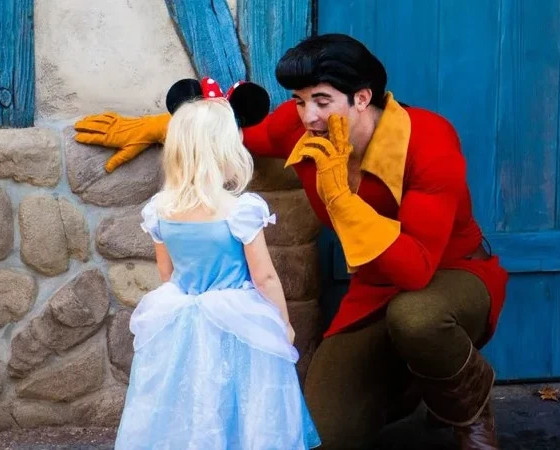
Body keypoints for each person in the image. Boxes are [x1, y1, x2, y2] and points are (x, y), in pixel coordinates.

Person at [77, 34, 508, 450]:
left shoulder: (429, 140)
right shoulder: (302, 127)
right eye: (301, 101)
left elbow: (416, 269)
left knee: (417, 319)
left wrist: (339, 195)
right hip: (374, 290)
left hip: (451, 275)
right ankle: (415, 378)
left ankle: (469, 409)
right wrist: (164, 127)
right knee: (322, 434)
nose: (307, 116)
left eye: (322, 101)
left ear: (362, 97)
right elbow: (238, 135)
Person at [112, 77, 321, 450]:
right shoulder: (240, 211)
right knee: (243, 398)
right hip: (238, 318)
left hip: (182, 315)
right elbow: (265, 277)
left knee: (189, 400)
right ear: (227, 149)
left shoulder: (159, 211)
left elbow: (167, 274)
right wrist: (283, 324)